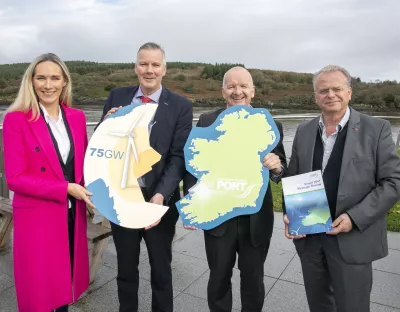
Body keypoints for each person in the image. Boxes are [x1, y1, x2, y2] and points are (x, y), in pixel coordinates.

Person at [283, 64, 400, 312]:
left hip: (353, 237)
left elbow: (393, 182)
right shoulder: (304, 130)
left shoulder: (376, 129)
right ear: (315, 96)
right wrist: (290, 213)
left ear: (349, 92)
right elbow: (294, 176)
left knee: (352, 307)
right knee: (319, 305)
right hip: (311, 238)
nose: (330, 95)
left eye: (337, 88)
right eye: (323, 90)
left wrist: (354, 218)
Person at [98, 42, 192, 312]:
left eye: (155, 65)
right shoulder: (117, 96)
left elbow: (177, 157)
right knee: (126, 268)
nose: (148, 70)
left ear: (164, 69)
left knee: (161, 270)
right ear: (135, 67)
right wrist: (106, 124)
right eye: (143, 64)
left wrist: (160, 196)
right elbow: (102, 148)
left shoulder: (180, 106)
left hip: (159, 200)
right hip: (122, 198)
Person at [183, 66, 287, 312]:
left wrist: (276, 165)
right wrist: (191, 204)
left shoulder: (271, 123)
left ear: (253, 91)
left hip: (256, 218)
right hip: (218, 217)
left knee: (253, 279)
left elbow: (282, 169)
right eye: (231, 86)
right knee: (218, 277)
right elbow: (192, 165)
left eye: (243, 86)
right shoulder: (207, 120)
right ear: (223, 92)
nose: (237, 91)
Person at [2, 53, 95, 312]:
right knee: (39, 291)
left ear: (65, 81)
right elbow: (15, 178)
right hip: (38, 217)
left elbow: (84, 164)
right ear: (31, 81)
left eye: (55, 78)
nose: (48, 85)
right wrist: (65, 188)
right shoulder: (16, 119)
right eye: (41, 78)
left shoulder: (76, 117)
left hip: (71, 215)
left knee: (65, 284)